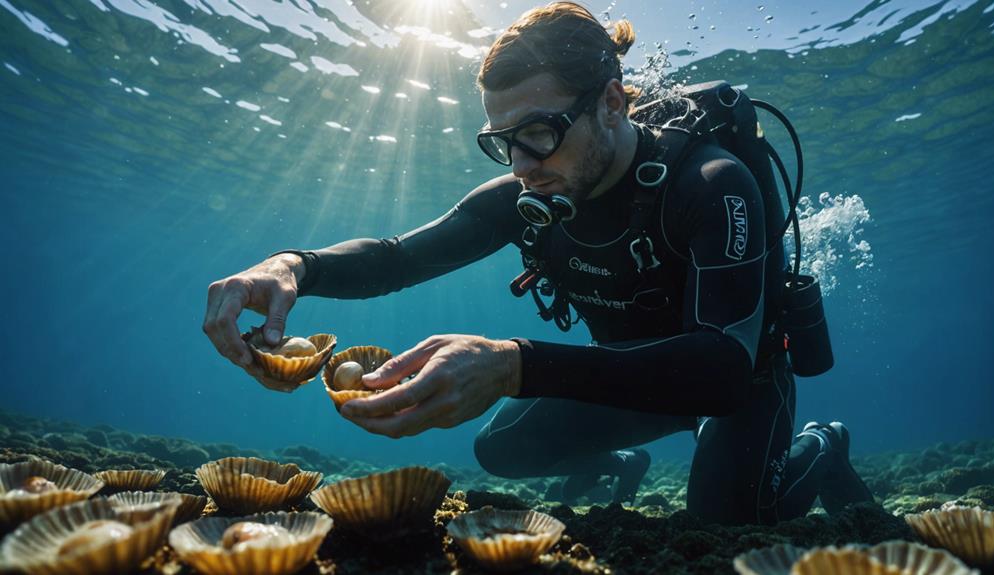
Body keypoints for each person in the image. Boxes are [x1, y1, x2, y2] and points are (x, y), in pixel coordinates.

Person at [203, 2, 873, 525]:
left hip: (735, 379)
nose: (523, 166)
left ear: (612, 102)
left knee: (727, 518)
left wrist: (512, 364)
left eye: (540, 134)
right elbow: (395, 260)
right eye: (503, 143)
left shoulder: (713, 184)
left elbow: (723, 372)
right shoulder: (532, 192)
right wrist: (293, 266)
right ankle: (628, 460)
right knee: (501, 450)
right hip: (629, 377)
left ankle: (823, 444)